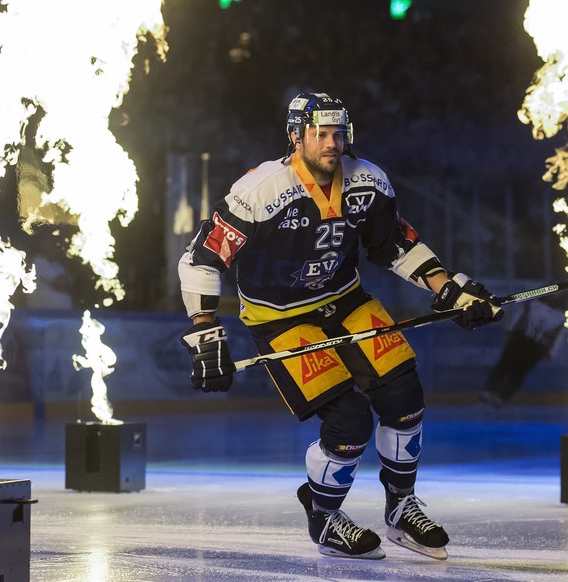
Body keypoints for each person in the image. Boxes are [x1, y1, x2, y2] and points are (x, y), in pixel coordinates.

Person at [178, 92, 502, 560]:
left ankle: (400, 508)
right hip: (280, 316)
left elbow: (391, 243)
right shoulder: (259, 190)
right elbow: (201, 260)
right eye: (320, 133)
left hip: (347, 300)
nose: (332, 143)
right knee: (349, 420)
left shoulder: (368, 180)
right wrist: (205, 330)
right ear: (297, 135)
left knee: (404, 396)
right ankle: (324, 514)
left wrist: (447, 288)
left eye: (338, 133)